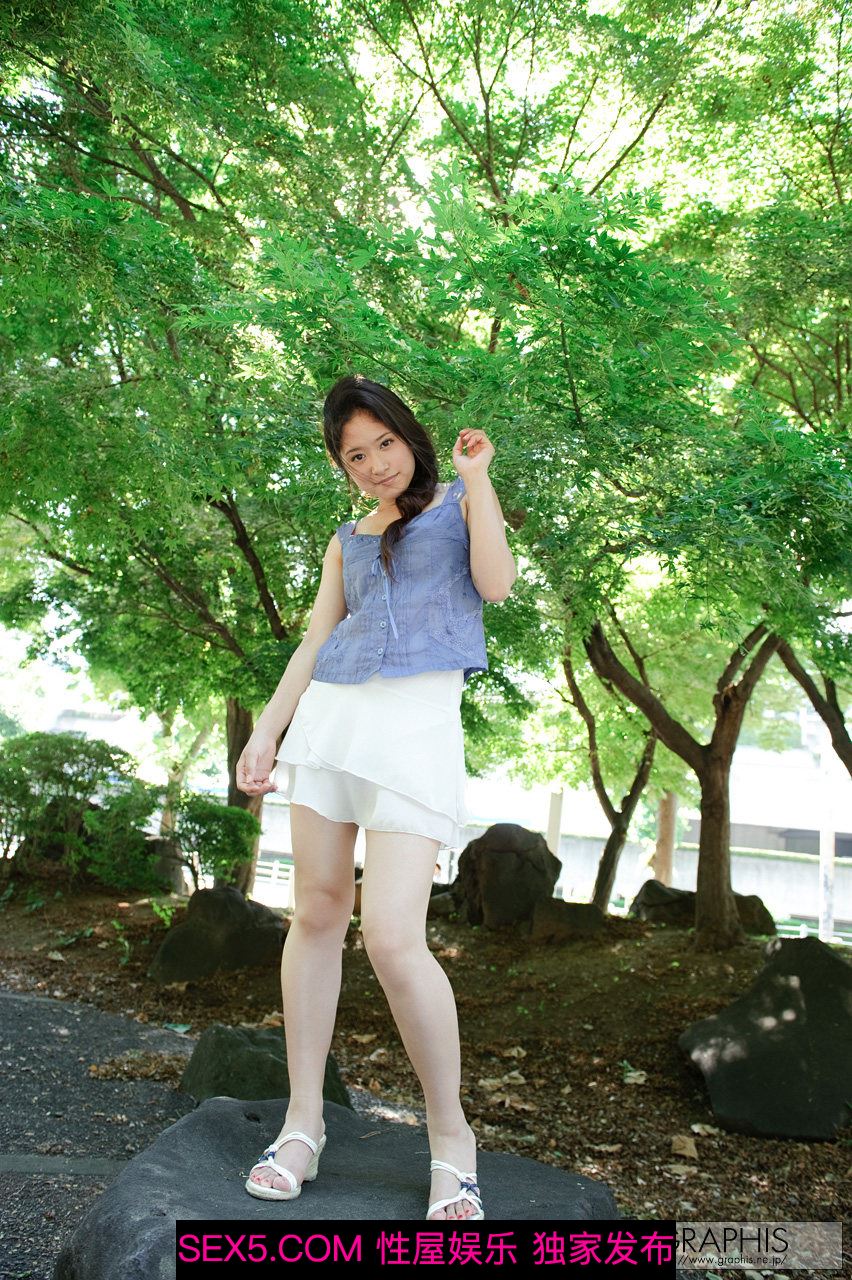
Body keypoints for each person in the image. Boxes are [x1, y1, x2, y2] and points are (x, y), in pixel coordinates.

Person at [236, 375, 517, 1220]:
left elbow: (496, 585)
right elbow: (315, 641)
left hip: (414, 733)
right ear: (342, 465)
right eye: (355, 456)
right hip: (332, 728)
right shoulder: (345, 540)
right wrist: (267, 733)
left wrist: (479, 480)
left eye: (384, 443)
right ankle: (303, 1124)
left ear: (409, 436)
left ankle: (451, 1140)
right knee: (317, 914)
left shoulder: (459, 503)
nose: (375, 464)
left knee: (394, 938)